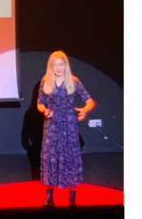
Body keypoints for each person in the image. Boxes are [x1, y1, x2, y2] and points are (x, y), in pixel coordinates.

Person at [36, 51, 95, 207]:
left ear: (66, 65)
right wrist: (45, 111)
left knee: (70, 158)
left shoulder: (73, 81)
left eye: (61, 65)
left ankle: (72, 199)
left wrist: (85, 110)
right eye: (55, 65)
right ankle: (49, 198)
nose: (58, 68)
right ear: (51, 67)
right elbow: (39, 103)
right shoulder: (46, 81)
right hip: (52, 125)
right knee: (51, 158)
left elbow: (89, 101)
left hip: (69, 125)